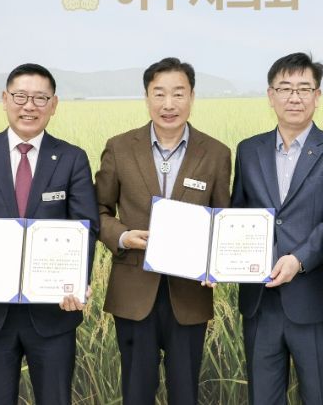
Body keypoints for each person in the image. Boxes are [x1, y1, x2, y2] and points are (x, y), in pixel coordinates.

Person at [0, 63, 99, 405]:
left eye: (40, 98)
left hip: (53, 315)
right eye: (21, 96)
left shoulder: (71, 159)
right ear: (5, 99)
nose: (29, 106)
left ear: (53, 105)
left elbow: (86, 229)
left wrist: (76, 280)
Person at [96, 57, 231, 405]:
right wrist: (123, 236)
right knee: (136, 393)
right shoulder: (120, 147)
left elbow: (223, 221)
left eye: (178, 93)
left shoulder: (216, 153)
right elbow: (98, 210)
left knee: (185, 392)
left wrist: (216, 261)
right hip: (133, 291)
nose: (168, 104)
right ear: (147, 98)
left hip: (189, 294)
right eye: (159, 94)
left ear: (192, 97)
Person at [231, 52, 323, 404]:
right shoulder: (248, 150)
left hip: (314, 301)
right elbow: (238, 214)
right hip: (260, 303)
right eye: (285, 88)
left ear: (317, 96)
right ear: (270, 95)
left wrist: (299, 259)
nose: (294, 97)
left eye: (304, 89)